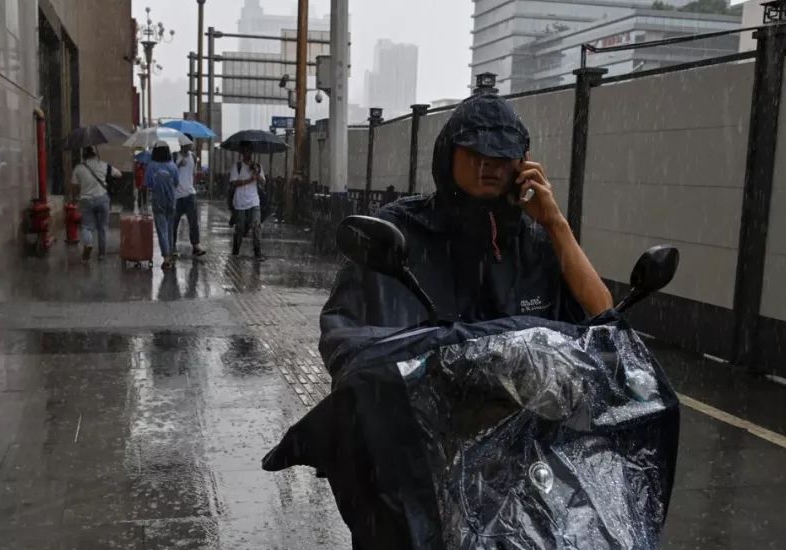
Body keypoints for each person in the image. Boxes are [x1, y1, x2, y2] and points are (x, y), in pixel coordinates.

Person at [319, 92, 614, 374]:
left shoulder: (536, 244)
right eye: (475, 151)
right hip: (416, 418)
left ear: (524, 162)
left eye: (503, 155)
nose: (488, 164)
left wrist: (555, 223)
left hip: (525, 420)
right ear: (449, 153)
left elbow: (604, 320)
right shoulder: (402, 229)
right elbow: (344, 337)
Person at [70, 146, 122, 261]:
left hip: (86, 200)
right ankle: (102, 254)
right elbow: (119, 174)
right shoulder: (103, 165)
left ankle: (88, 244)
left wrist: (74, 198)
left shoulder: (78, 168)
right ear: (95, 155)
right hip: (102, 199)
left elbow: (74, 186)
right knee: (103, 227)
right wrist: (106, 171)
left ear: (84, 156)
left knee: (87, 226)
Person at [145, 142, 180, 271]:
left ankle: (166, 258)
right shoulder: (173, 166)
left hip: (158, 201)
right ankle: (169, 256)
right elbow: (176, 183)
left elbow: (148, 184)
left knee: (162, 230)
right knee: (170, 230)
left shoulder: (151, 166)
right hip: (172, 201)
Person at [229, 142, 265, 258]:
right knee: (240, 228)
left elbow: (263, 182)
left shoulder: (257, 166)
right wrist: (249, 180)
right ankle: (235, 251)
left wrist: (257, 175)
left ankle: (257, 252)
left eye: (249, 151)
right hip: (240, 203)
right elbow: (234, 182)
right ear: (242, 153)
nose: (247, 154)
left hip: (254, 201)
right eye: (244, 151)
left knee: (256, 226)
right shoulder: (237, 166)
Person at [172, 144, 204, 258]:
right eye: (187, 144)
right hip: (176, 196)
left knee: (193, 221)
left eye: (190, 144)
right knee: (174, 223)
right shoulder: (175, 156)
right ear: (181, 144)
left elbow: (193, 175)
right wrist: (178, 165)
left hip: (190, 194)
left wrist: (191, 187)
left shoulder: (193, 157)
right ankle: (172, 246)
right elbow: (170, 172)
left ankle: (196, 245)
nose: (189, 146)